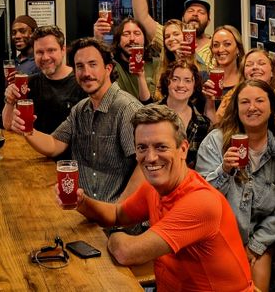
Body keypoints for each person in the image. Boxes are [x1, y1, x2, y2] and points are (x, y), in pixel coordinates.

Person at [68, 104, 254, 292]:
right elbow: (117, 214)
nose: (150, 157)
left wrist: (114, 236)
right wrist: (81, 202)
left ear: (183, 149)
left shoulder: (201, 202)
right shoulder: (154, 187)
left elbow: (127, 252)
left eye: (161, 147)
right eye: (142, 147)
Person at [197, 79, 275, 292]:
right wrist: (224, 170)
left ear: (271, 106)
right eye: (245, 102)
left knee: (259, 272)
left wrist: (253, 248)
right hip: (217, 238)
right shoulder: (214, 143)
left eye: (259, 101)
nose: (252, 107)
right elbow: (200, 201)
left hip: (260, 239)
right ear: (236, 109)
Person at [8, 38, 143, 203]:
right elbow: (54, 145)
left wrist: (119, 209)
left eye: (93, 64)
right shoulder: (80, 109)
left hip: (114, 217)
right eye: (80, 66)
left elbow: (143, 166)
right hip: (82, 208)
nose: (86, 73)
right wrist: (27, 131)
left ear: (108, 68)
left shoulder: (127, 109)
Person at [1, 25, 85, 135]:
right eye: (39, 52)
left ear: (63, 50)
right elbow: (7, 124)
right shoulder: (29, 83)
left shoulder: (81, 81)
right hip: (34, 150)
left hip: (72, 151)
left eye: (51, 50)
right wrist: (10, 100)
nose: (45, 57)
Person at [130, 0, 214, 69]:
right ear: (183, 18)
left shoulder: (215, 45)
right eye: (190, 11)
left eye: (201, 12)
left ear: (209, 20)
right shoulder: (173, 37)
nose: (195, 14)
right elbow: (142, 18)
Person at [157, 59, 211, 168]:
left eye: (187, 80)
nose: (181, 85)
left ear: (194, 85)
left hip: (189, 182)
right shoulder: (150, 114)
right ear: (167, 82)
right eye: (175, 79)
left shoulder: (203, 124)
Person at [95, 16, 158, 103]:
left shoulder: (156, 64)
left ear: (145, 39)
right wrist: (97, 38)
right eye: (126, 34)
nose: (132, 39)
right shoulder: (112, 66)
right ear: (118, 40)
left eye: (137, 33)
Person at [200, 25, 245, 123]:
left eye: (227, 44)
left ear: (238, 49)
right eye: (216, 45)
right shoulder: (203, 78)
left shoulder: (246, 81)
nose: (220, 50)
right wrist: (209, 101)